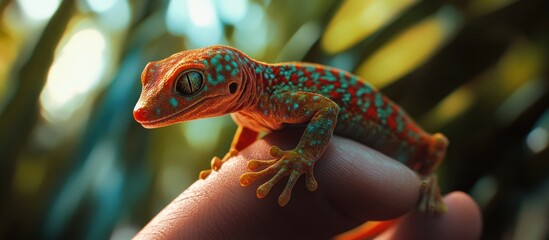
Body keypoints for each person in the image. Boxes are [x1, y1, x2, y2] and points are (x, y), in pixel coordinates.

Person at [134, 129, 482, 239]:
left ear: (235, 81)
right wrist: (234, 154)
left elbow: (326, 109)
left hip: (409, 150)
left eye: (189, 85)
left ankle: (427, 181)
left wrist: (302, 157)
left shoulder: (273, 92)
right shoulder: (247, 111)